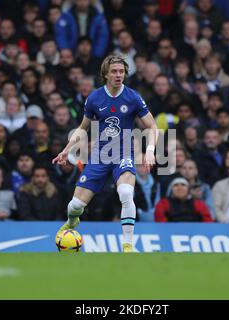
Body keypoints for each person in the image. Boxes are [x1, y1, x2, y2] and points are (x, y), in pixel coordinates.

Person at [52, 54, 158, 253]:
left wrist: (150, 150)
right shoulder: (94, 98)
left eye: (121, 71)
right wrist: (67, 150)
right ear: (106, 75)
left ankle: (127, 245)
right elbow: (83, 128)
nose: (119, 75)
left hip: (124, 154)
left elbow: (152, 126)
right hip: (100, 156)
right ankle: (72, 221)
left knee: (126, 193)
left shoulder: (133, 97)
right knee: (74, 206)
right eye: (114, 72)